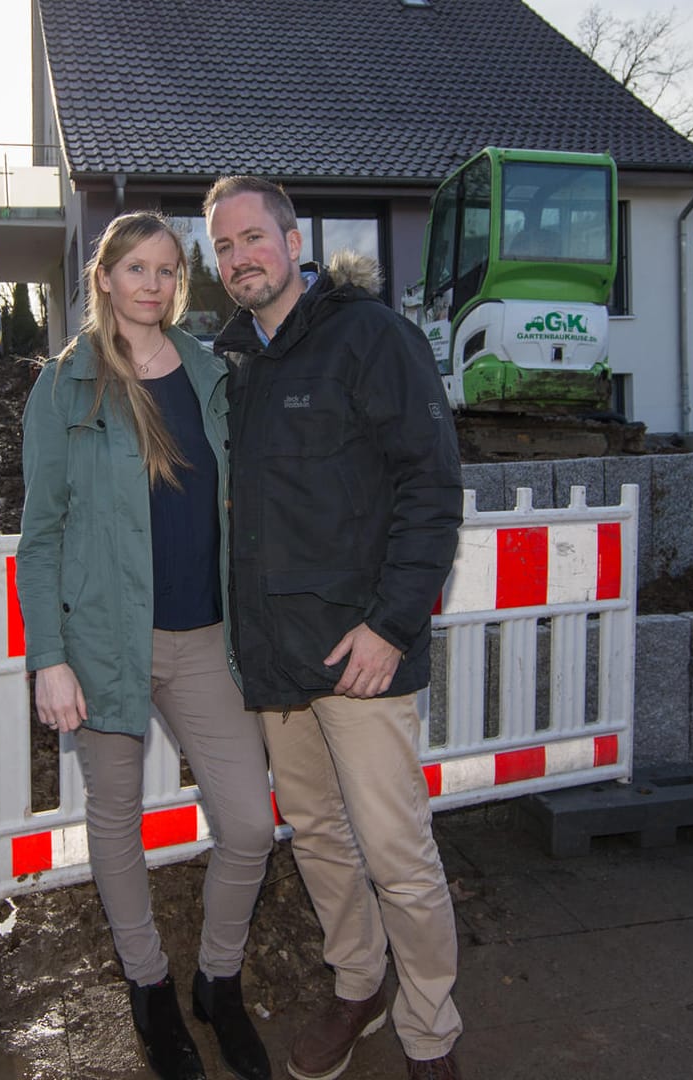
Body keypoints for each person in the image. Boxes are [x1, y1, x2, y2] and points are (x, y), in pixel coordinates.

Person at [204, 177, 466, 1080]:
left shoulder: (371, 337)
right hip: (278, 662)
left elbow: (431, 490)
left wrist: (391, 626)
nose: (241, 257)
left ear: (292, 239)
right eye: (224, 247)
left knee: (397, 853)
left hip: (361, 658)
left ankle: (429, 1030)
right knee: (316, 836)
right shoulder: (231, 366)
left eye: (253, 237)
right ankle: (360, 986)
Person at [18, 211, 275, 1080]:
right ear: (104, 277)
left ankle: (218, 979)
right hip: (104, 642)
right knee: (116, 822)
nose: (153, 285)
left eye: (168, 270)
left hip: (206, 639)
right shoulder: (67, 385)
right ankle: (149, 986)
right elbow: (41, 532)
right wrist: (47, 655)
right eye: (136, 268)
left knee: (248, 825)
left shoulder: (212, 373)